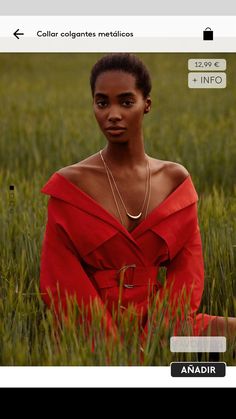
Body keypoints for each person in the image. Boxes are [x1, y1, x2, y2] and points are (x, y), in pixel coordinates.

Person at [39, 53, 236, 347]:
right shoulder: (71, 184)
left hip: (163, 320)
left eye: (126, 102)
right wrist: (111, 347)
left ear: (147, 105)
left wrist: (154, 335)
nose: (113, 113)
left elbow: (188, 273)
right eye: (102, 102)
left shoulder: (175, 180)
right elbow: (60, 279)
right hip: (91, 325)